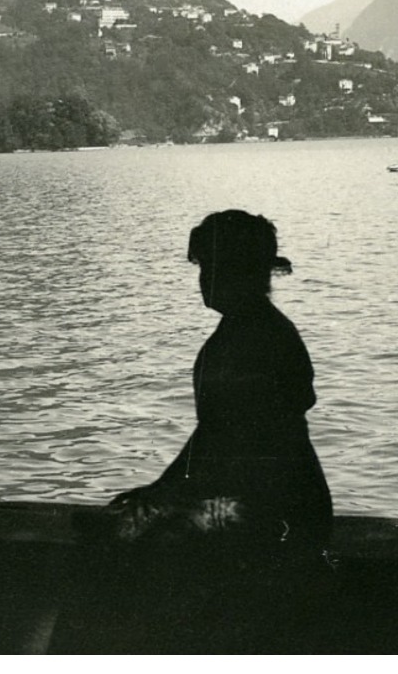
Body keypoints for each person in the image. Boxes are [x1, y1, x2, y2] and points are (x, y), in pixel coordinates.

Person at [110, 209, 333, 550]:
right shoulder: (247, 328)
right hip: (273, 495)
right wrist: (162, 489)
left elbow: (231, 439)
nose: (204, 279)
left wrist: (164, 494)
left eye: (213, 269)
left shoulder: (260, 336)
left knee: (130, 533)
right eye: (203, 268)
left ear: (243, 272)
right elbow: (215, 434)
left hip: (278, 506)